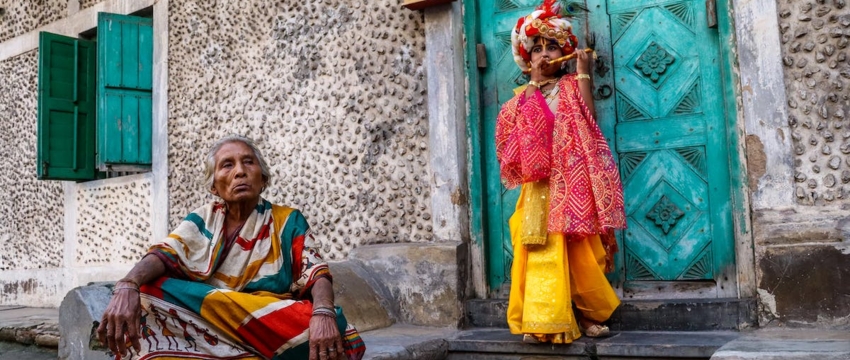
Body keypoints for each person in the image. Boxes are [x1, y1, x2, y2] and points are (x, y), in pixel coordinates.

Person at [97, 135, 366, 360]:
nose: (240, 171)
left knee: (332, 324)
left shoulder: (287, 220)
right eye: (227, 165)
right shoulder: (203, 219)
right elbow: (165, 254)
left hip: (266, 321)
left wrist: (323, 312)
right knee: (147, 292)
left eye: (248, 162)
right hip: (213, 319)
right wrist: (128, 284)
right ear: (214, 186)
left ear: (263, 178)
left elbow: (317, 274)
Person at [495, 0, 627, 344]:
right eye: (536, 49)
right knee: (538, 252)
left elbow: (589, 119)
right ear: (526, 61)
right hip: (538, 188)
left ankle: (586, 317)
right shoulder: (518, 100)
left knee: (579, 254)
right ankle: (541, 320)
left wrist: (582, 69)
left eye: (551, 46)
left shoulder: (569, 87)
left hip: (572, 183)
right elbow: (510, 145)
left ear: (564, 53)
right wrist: (534, 86)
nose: (544, 54)